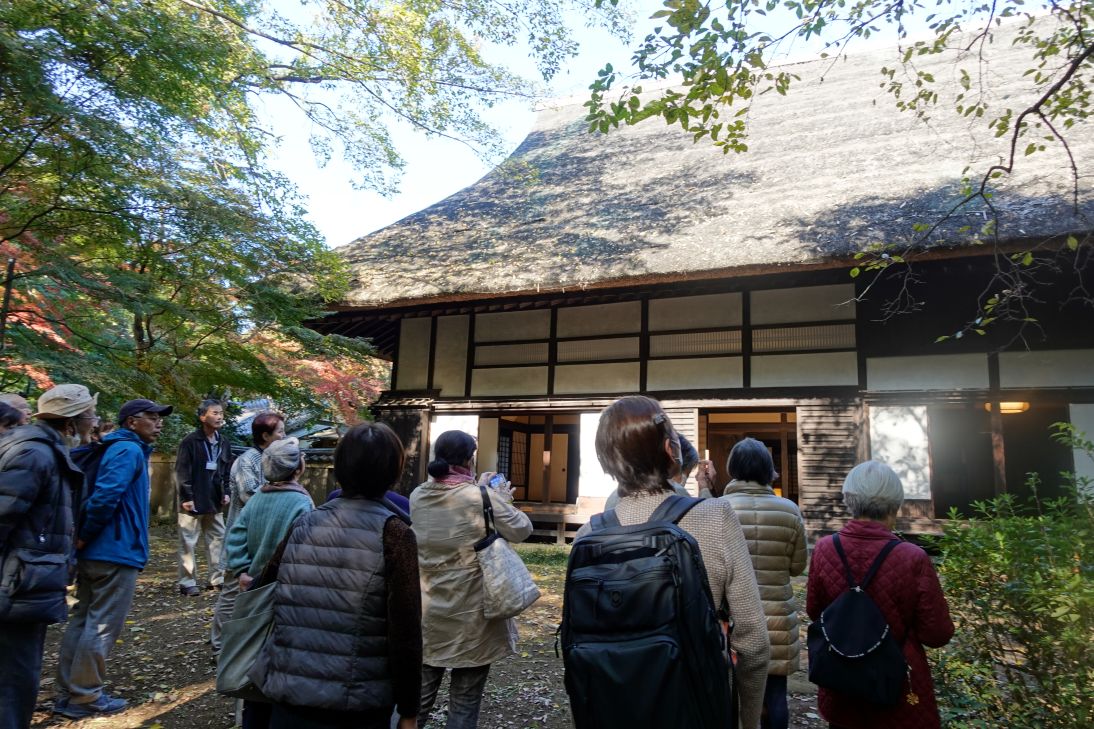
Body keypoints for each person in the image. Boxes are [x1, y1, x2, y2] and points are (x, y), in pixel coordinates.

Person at [575, 396, 770, 729]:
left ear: (606, 459)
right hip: (693, 708)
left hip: (612, 710)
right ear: (671, 449)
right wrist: (748, 720)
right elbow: (753, 644)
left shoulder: (587, 535)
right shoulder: (716, 517)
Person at [252, 422, 421, 729]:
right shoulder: (395, 533)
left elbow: (262, 590)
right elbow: (405, 630)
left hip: (288, 690)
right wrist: (409, 709)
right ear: (393, 471)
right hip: (357, 702)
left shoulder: (305, 522)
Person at [807, 460, 954, 729]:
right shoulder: (913, 557)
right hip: (896, 686)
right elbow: (937, 634)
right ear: (895, 503)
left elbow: (815, 611)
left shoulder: (825, 549)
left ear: (849, 499)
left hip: (841, 681)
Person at [54, 398, 172, 719]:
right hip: (114, 551)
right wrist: (86, 534)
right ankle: (85, 696)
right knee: (102, 624)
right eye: (152, 417)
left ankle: (69, 691)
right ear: (132, 421)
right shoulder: (128, 450)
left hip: (100, 550)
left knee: (83, 619)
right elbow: (105, 495)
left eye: (159, 418)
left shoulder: (116, 447)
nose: (159, 423)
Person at [411, 429, 533, 729]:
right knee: (465, 702)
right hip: (473, 616)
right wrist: (500, 498)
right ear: (469, 459)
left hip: (428, 612)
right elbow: (522, 530)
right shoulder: (480, 497)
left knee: (417, 701)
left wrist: (483, 492)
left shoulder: (418, 495)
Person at [0, 384, 92, 729]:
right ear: (71, 422)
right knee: (14, 681)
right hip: (16, 587)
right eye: (91, 414)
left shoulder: (44, 450)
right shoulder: (34, 454)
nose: (96, 420)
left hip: (25, 582)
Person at [716, 438, 808, 729]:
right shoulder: (789, 510)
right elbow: (797, 566)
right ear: (769, 469)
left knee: (731, 696)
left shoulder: (717, 510)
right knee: (776, 696)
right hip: (777, 621)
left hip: (734, 620)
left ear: (732, 468)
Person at [211, 411, 286, 651]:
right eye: (280, 432)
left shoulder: (274, 459)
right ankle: (219, 645)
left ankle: (243, 645)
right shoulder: (248, 460)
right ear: (265, 436)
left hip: (263, 536)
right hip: (242, 537)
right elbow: (248, 496)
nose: (284, 436)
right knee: (232, 591)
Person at [175, 398, 232, 596]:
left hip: (214, 499)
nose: (219, 417)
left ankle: (216, 579)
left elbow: (226, 470)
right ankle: (187, 582)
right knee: (188, 541)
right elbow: (182, 470)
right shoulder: (190, 441)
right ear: (202, 417)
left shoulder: (224, 442)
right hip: (192, 499)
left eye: (221, 413)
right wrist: (186, 496)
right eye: (214, 413)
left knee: (218, 539)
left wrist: (226, 492)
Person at [604, 432, 699, 509]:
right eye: (686, 475)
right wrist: (705, 490)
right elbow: (699, 522)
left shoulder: (614, 497)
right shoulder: (677, 496)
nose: (684, 480)